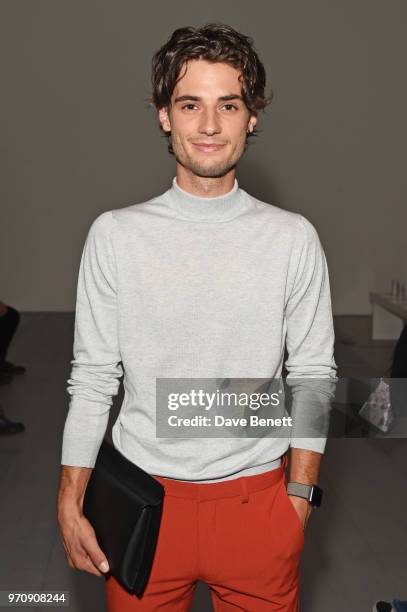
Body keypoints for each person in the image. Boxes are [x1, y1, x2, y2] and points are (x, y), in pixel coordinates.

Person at [57, 23, 337, 611]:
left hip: (259, 508)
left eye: (227, 105)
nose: (209, 126)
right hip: (142, 508)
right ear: (165, 115)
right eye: (190, 104)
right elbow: (93, 378)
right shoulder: (116, 236)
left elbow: (311, 375)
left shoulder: (291, 238)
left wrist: (300, 497)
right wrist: (70, 496)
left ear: (251, 116)